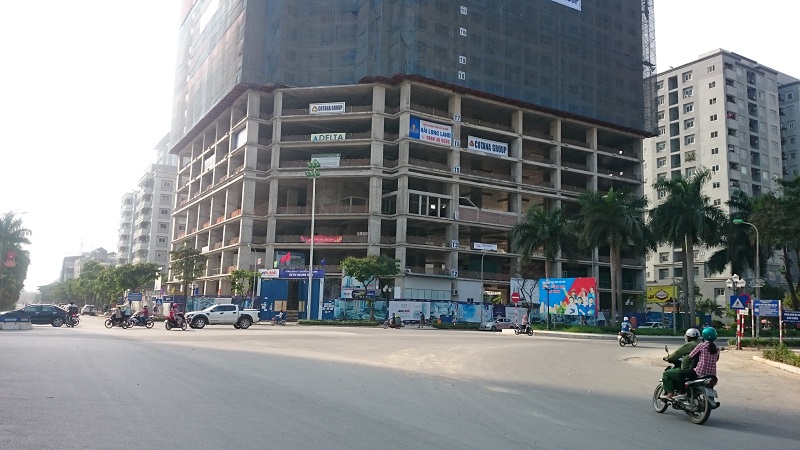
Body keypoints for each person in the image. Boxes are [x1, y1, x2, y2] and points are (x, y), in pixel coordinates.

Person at [674, 327, 720, 401]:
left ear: (703, 336)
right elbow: (716, 359)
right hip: (712, 374)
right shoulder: (717, 348)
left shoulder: (701, 345)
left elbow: (691, 356)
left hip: (700, 372)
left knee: (680, 375)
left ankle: (682, 394)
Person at [660, 328, 701, 400]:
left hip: (688, 369)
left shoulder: (689, 345)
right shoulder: (700, 345)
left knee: (666, 373)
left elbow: (676, 354)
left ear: (688, 337)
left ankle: (670, 394)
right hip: (699, 369)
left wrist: (668, 358)